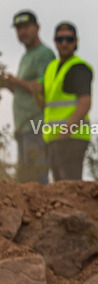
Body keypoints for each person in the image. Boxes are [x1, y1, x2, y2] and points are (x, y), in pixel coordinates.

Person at [0, 11, 55, 183]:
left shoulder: (44, 54)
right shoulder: (26, 57)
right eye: (18, 29)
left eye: (25, 27)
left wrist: (15, 80)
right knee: (25, 181)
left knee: (36, 179)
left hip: (36, 124)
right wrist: (9, 84)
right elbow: (26, 90)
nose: (22, 32)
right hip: (23, 126)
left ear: (37, 28)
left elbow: (42, 87)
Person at [40, 22, 93, 181]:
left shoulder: (79, 68)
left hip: (72, 138)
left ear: (76, 41)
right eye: (60, 39)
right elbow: (47, 106)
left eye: (68, 39)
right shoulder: (51, 68)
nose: (64, 43)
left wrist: (66, 132)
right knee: (60, 188)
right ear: (55, 41)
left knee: (70, 187)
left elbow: (85, 103)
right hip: (54, 140)